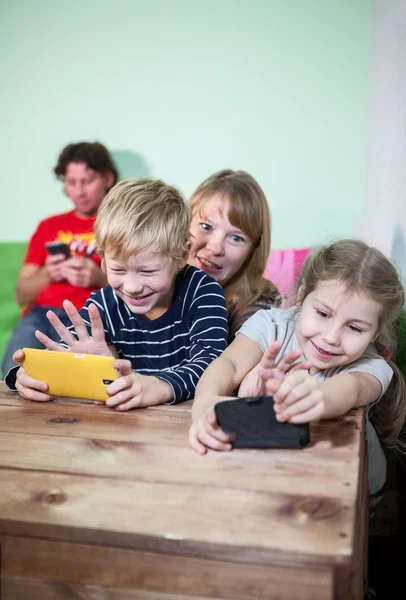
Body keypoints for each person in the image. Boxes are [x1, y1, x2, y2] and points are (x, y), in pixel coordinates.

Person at [189, 239, 406, 496]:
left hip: (351, 489)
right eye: (323, 314)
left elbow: (351, 389)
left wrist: (315, 396)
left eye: (355, 327)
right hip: (271, 474)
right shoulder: (271, 324)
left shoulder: (374, 366)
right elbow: (229, 363)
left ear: (376, 332)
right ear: (302, 296)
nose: (331, 337)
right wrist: (204, 403)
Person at [9, 178, 228, 410]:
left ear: (182, 256)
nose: (132, 287)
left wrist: (159, 386)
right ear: (102, 261)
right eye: (118, 270)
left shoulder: (202, 292)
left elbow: (212, 365)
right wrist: (25, 376)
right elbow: (64, 354)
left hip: (185, 428)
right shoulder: (102, 305)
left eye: (148, 271)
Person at [2, 141, 118, 377]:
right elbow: (21, 295)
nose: (79, 191)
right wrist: (48, 273)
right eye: (71, 182)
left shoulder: (117, 222)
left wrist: (98, 278)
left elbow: (136, 286)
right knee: (12, 375)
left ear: (107, 178)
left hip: (88, 314)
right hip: (40, 315)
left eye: (87, 181)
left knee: (75, 380)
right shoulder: (48, 226)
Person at [187, 169, 281, 341]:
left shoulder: (259, 307)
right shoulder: (146, 280)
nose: (215, 248)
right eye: (206, 227)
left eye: (236, 238)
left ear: (253, 250)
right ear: (184, 222)